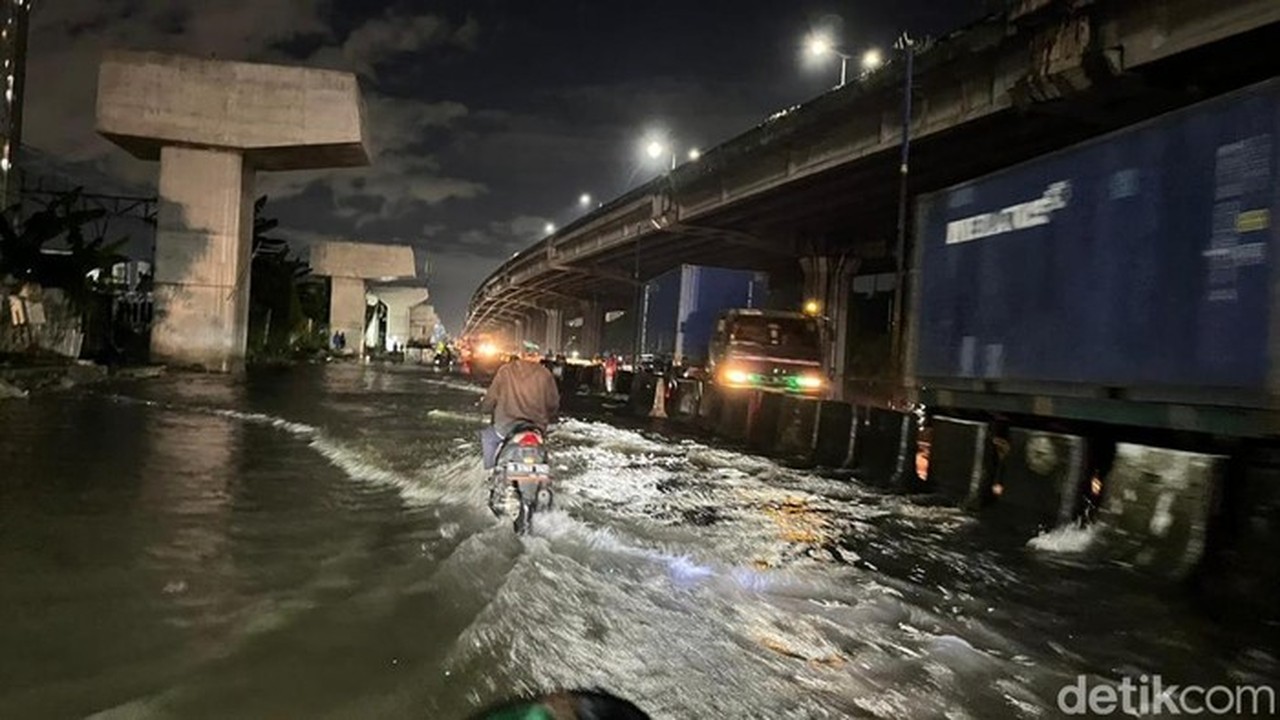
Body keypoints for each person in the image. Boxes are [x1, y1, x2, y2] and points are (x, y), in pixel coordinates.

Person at [478, 351, 560, 471]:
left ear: (521, 354)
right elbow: (553, 403)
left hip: (506, 426)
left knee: (488, 437)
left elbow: (492, 396)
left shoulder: (506, 370)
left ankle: (490, 471)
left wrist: (485, 408)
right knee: (544, 448)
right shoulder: (545, 374)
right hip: (536, 427)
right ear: (538, 357)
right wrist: (551, 418)